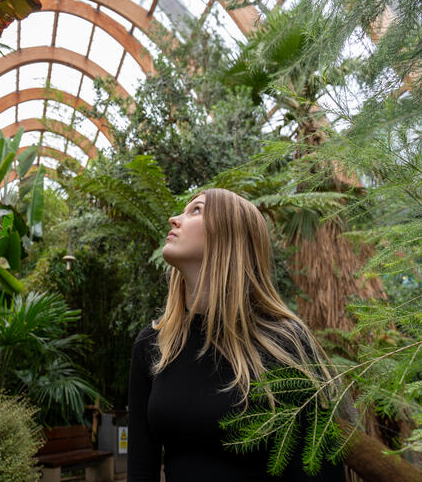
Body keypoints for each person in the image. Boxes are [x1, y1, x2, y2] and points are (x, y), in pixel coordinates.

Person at [127, 188, 346, 481]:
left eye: (196, 210)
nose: (174, 219)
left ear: (230, 236)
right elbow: (141, 469)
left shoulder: (284, 343)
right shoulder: (154, 344)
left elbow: (318, 468)